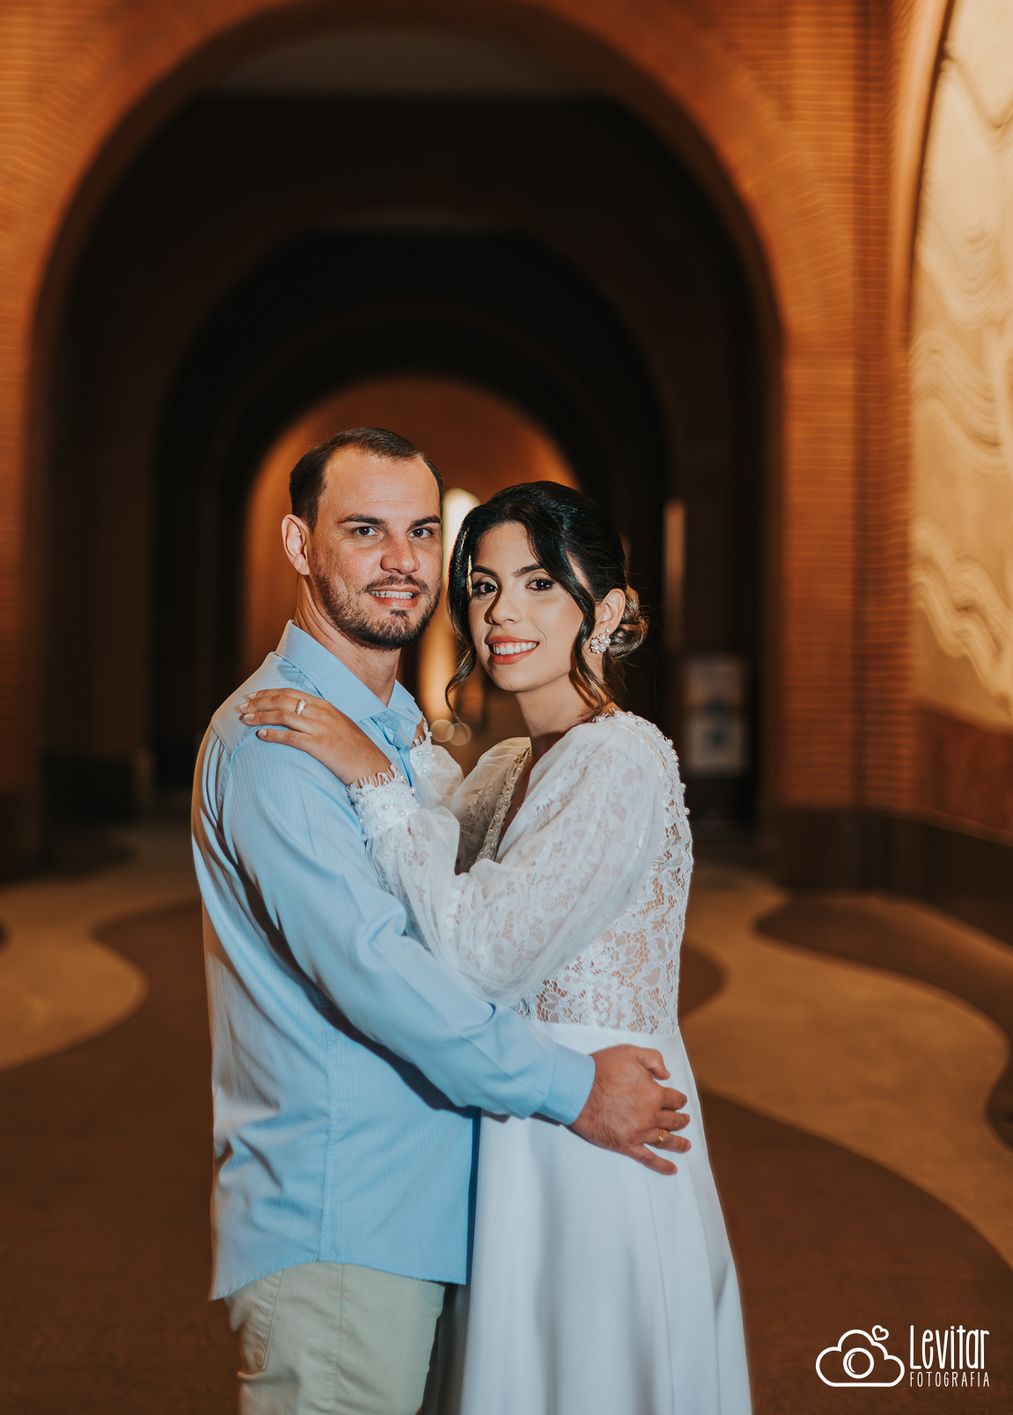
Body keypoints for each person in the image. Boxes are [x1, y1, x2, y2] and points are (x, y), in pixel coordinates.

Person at [193, 431, 692, 1415]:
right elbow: (385, 976)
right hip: (347, 1218)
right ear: (299, 545)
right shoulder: (280, 742)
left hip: (460, 1201)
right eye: (364, 530)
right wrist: (574, 1089)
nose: (403, 560)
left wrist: (385, 775)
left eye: (423, 531)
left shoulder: (398, 739)